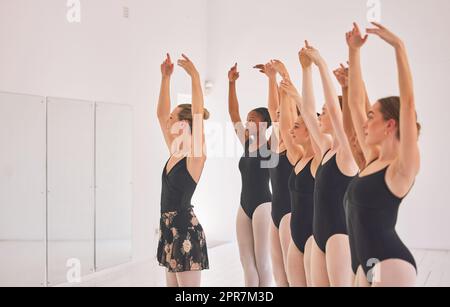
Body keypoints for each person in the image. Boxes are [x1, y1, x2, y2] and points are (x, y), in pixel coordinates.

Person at [344, 22, 420, 287]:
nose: (365, 123)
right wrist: (354, 52)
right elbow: (354, 104)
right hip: (365, 266)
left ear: (390, 125)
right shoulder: (372, 160)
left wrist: (398, 46)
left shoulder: (402, 168)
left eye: (371, 117)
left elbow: (408, 105)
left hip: (390, 264)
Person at [281, 41, 358, 286]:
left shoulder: (347, 154)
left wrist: (322, 64)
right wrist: (305, 70)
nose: (321, 115)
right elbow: (308, 110)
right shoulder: (325, 150)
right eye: (322, 111)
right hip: (318, 236)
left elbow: (336, 113)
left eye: (326, 111)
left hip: (339, 235)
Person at [156, 53, 210, 287]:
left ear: (184, 124)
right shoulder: (175, 150)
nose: (167, 121)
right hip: (169, 231)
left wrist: (195, 77)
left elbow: (198, 114)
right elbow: (160, 114)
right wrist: (165, 78)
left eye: (172, 118)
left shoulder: (194, 156)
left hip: (185, 232)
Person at [228, 63, 273, 287]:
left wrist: (272, 80)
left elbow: (278, 114)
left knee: (262, 260)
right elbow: (233, 114)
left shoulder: (272, 147)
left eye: (253, 119)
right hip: (243, 205)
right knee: (246, 260)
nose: (247, 122)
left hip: (264, 205)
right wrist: (231, 83)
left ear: (264, 123)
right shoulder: (247, 145)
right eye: (248, 119)